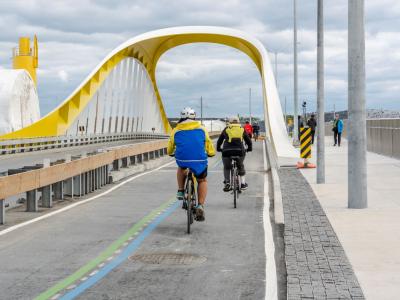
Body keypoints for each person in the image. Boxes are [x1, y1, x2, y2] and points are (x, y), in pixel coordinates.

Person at [167, 107, 215, 221]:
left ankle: (180, 190)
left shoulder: (176, 130)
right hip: (199, 160)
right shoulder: (202, 129)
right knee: (202, 180)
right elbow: (208, 144)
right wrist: (211, 153)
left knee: (181, 167)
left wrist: (170, 153)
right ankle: (200, 205)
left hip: (183, 159)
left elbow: (170, 146)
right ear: (194, 117)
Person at [216, 116, 252, 192]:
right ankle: (242, 183)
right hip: (240, 151)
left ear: (229, 122)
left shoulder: (226, 129)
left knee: (226, 167)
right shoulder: (242, 129)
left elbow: (219, 141)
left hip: (226, 151)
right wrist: (249, 148)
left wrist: (219, 148)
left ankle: (227, 183)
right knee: (240, 165)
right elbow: (248, 141)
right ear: (238, 122)